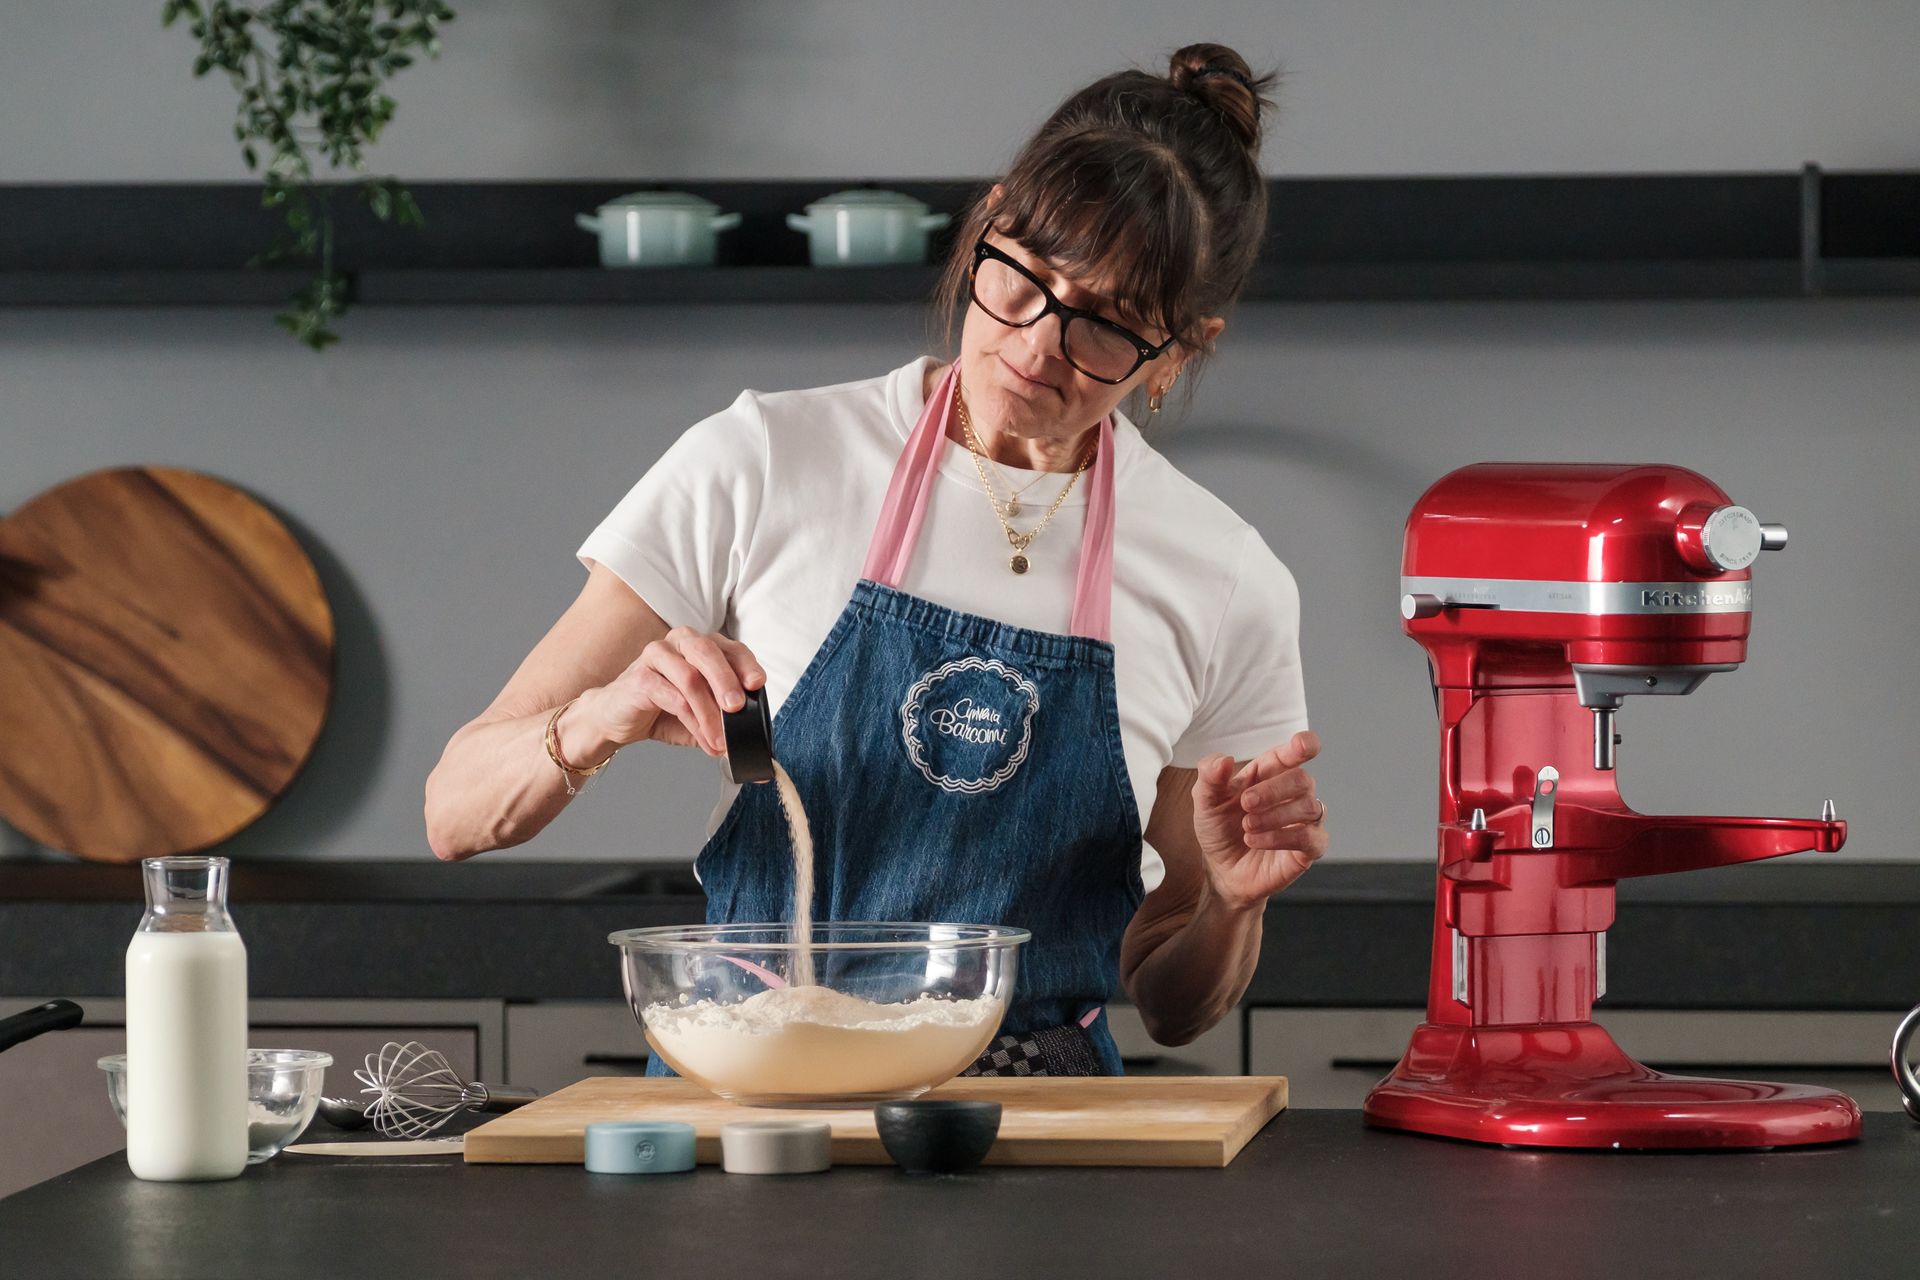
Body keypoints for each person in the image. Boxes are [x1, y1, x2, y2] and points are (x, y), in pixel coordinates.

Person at [424, 42, 1327, 1076]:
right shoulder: (764, 458)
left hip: (1033, 1129)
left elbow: (1174, 1002)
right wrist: (604, 713)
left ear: (1180, 350)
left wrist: (1231, 905)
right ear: (987, 224)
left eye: (1108, 325)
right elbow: (456, 812)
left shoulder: (1224, 576)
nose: (1037, 344)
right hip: (757, 1099)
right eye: (1023, 279)